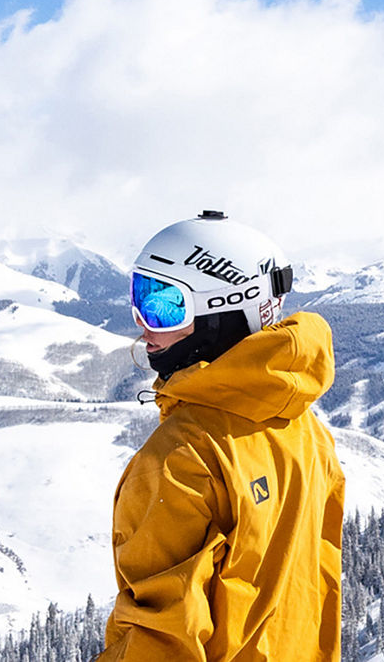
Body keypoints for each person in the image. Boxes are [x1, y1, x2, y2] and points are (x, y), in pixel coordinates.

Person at [100, 211, 346, 662]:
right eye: (139, 295)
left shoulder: (180, 460)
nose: (141, 322)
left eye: (163, 303)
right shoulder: (304, 428)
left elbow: (161, 644)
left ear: (224, 311)